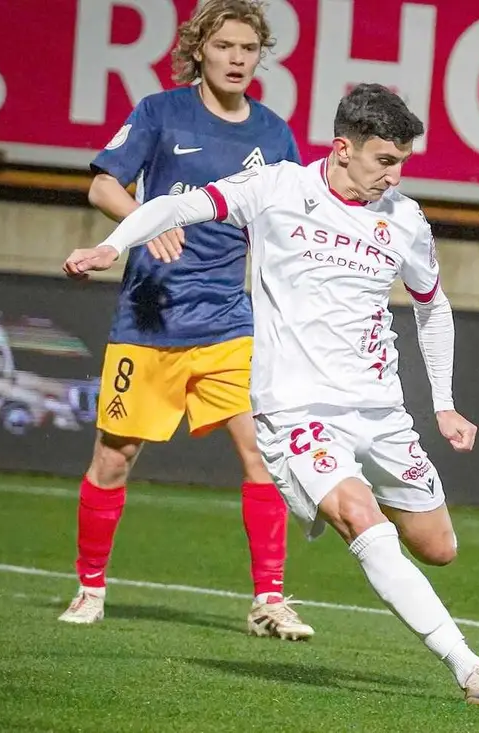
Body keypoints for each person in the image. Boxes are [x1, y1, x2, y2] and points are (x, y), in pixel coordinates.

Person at [63, 83, 479, 705]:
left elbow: (434, 307)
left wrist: (444, 402)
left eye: (403, 161)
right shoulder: (277, 188)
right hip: (296, 411)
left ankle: (406, 541)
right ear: (342, 148)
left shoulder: (404, 219)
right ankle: (468, 666)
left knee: (439, 549)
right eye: (385, 160)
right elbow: (173, 207)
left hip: (380, 411)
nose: (395, 174)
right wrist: (114, 244)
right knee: (360, 518)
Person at [57, 0, 313, 641]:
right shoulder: (159, 112)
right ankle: (90, 588)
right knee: (114, 460)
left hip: (229, 321)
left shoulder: (275, 135)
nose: (235, 58)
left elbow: (280, 224)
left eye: (248, 49)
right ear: (199, 49)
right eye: (223, 45)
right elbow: (101, 186)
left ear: (259, 58)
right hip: (151, 319)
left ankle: (270, 599)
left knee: (263, 454)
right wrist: (146, 220)